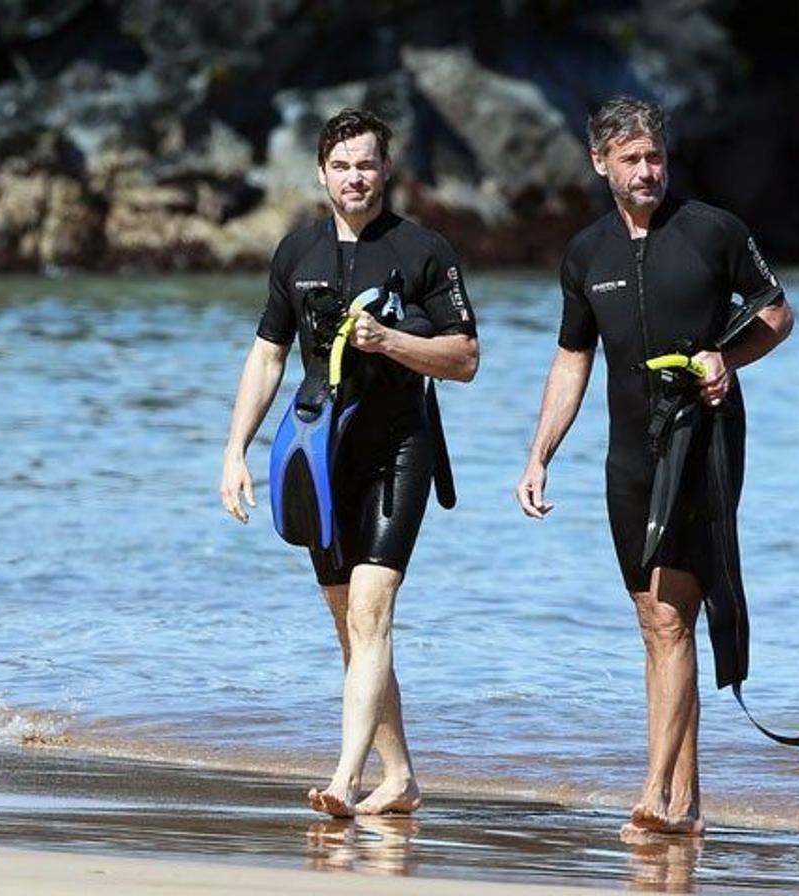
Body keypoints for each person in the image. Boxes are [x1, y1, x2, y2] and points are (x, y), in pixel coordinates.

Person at [515, 96, 794, 836]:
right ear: (600, 162)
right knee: (654, 621)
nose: (648, 171)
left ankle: (653, 792)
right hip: (628, 455)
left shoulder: (712, 231)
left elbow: (776, 315)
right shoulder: (586, 255)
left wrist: (724, 356)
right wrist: (540, 453)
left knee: (674, 614)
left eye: (656, 157)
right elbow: (572, 358)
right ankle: (687, 805)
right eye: (633, 159)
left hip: (701, 444)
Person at [221, 108, 479, 817]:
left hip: (401, 449)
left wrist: (388, 340)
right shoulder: (295, 253)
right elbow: (269, 353)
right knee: (350, 624)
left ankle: (344, 779)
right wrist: (235, 448)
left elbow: (464, 358)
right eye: (341, 166)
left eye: (366, 164)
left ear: (385, 170)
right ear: (321, 173)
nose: (354, 177)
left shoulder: (424, 250)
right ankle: (400, 779)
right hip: (322, 456)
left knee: (370, 611)